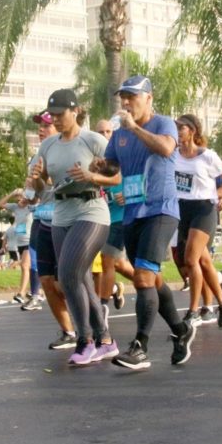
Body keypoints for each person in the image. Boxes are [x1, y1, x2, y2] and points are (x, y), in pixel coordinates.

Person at [102, 75, 196, 370]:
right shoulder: (119, 132)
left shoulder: (163, 123)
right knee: (152, 279)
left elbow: (167, 148)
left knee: (142, 277)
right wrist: (99, 167)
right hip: (132, 211)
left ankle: (140, 346)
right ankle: (181, 330)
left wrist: (135, 128)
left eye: (133, 97)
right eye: (123, 98)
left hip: (161, 209)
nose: (127, 103)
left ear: (148, 98)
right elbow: (113, 164)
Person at [31, 88, 115, 366]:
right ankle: (105, 341)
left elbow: (118, 177)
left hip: (92, 210)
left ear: (75, 111)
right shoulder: (48, 145)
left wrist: (91, 175)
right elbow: (44, 187)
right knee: (79, 279)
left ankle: (85, 340)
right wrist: (35, 181)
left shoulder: (94, 141)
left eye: (59, 114)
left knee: (68, 274)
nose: (54, 120)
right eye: (51, 115)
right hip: (61, 213)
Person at [172, 113, 222, 326]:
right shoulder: (173, 154)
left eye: (181, 128)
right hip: (183, 209)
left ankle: (193, 311)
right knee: (203, 261)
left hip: (204, 209)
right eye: (176, 128)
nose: (177, 132)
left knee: (192, 259)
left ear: (192, 131)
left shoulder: (207, 156)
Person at [27, 111, 79, 349]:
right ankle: (68, 332)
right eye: (40, 126)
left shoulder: (69, 151)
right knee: (46, 280)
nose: (42, 130)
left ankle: (93, 319)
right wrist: (34, 184)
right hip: (41, 220)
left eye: (46, 125)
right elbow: (37, 191)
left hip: (66, 220)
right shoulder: (36, 156)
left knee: (64, 282)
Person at [93, 119, 130, 319]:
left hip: (120, 218)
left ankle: (102, 307)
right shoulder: (94, 161)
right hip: (99, 219)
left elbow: (143, 179)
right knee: (116, 265)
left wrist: (129, 195)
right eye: (101, 131)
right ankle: (151, 285)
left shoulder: (122, 156)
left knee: (107, 260)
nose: (105, 135)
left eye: (109, 131)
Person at [0, 188, 34, 303]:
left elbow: (36, 200)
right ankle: (34, 291)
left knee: (24, 265)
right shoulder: (15, 207)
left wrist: (26, 196)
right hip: (20, 241)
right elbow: (0, 204)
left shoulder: (30, 207)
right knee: (30, 267)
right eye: (16, 197)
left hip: (31, 240)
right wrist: (11, 193)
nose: (18, 199)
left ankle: (21, 293)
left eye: (20, 196)